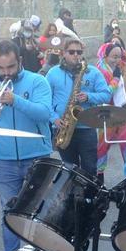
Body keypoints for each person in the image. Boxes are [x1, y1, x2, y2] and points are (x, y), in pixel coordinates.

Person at [0, 38, 53, 251]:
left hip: (37, 157)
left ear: (19, 60)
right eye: (1, 68)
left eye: (10, 67)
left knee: (38, 214)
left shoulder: (38, 82)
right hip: (6, 160)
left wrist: (15, 100)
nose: (6, 73)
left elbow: (44, 113)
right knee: (9, 214)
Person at [46, 37, 110, 178]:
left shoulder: (92, 72)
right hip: (63, 128)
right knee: (69, 170)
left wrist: (89, 97)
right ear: (63, 53)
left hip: (86, 128)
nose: (76, 55)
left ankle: (89, 198)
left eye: (79, 52)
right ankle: (73, 197)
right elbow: (45, 100)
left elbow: (106, 94)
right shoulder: (53, 73)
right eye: (72, 52)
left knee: (90, 169)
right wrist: (54, 118)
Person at [95, 42, 126, 185]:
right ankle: (99, 182)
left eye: (119, 56)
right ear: (105, 56)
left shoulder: (117, 68)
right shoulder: (100, 70)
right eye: (114, 56)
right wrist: (116, 78)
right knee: (102, 149)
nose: (117, 60)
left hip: (120, 113)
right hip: (105, 115)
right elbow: (106, 93)